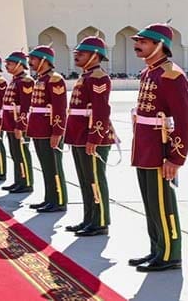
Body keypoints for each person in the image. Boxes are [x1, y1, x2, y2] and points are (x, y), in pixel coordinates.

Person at [129, 22, 188, 272]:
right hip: (145, 145)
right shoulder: (149, 72)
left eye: (143, 42)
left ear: (160, 45)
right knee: (151, 203)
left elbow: (183, 120)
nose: (137, 45)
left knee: (163, 203)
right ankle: (157, 248)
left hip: (160, 147)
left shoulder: (171, 75)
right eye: (138, 41)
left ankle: (170, 254)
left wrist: (176, 158)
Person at [63, 36, 114, 237]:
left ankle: (100, 221)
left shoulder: (98, 77)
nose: (76, 56)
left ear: (95, 56)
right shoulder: (86, 76)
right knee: (85, 180)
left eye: (81, 53)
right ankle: (89, 218)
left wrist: (95, 138)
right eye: (76, 53)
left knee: (94, 180)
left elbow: (101, 110)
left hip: (91, 135)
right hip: (79, 135)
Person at [26, 45, 68, 213]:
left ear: (44, 60)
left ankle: (59, 200)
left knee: (54, 167)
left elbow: (59, 108)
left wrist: (57, 132)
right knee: (46, 166)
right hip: (39, 129)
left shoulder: (54, 79)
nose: (30, 62)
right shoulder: (41, 78)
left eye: (33, 59)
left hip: (49, 129)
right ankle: (49, 198)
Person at [0, 52, 34, 194]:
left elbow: (26, 106)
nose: (7, 66)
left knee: (21, 153)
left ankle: (26, 182)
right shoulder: (15, 80)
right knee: (15, 153)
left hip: (18, 122)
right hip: (10, 121)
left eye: (10, 63)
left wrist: (21, 125)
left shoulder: (26, 81)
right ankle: (18, 180)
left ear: (20, 64)